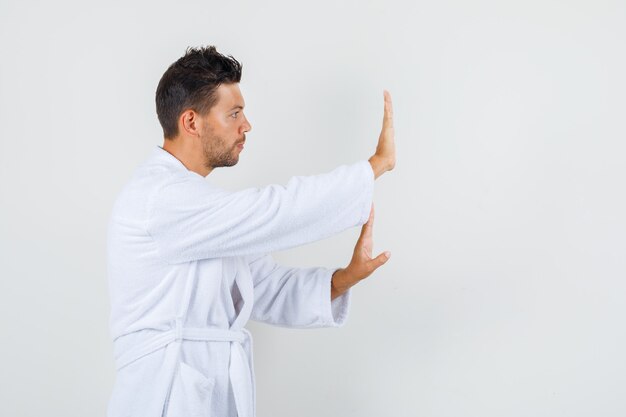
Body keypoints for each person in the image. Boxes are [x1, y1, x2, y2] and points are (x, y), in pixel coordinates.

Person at [106, 45, 396, 417]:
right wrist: (373, 167)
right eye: (234, 114)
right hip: (165, 397)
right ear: (191, 122)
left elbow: (266, 287)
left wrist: (343, 279)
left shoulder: (200, 208)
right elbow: (273, 211)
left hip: (203, 393)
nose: (247, 125)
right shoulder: (159, 198)